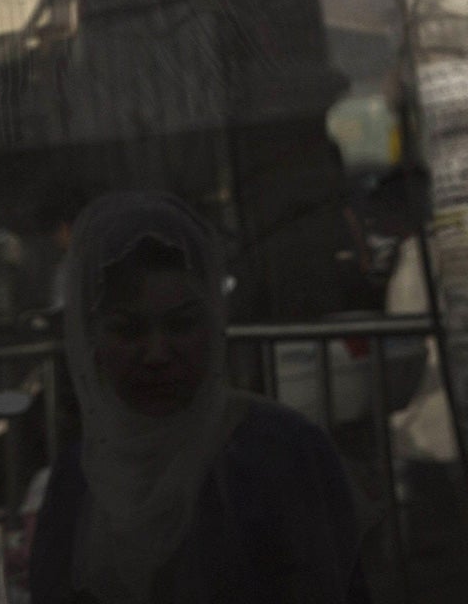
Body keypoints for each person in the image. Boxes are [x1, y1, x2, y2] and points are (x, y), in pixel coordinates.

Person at [30, 193, 368, 604]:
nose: (157, 354)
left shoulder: (283, 453)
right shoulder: (78, 480)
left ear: (214, 325)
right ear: (90, 342)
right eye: (129, 330)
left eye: (181, 324)